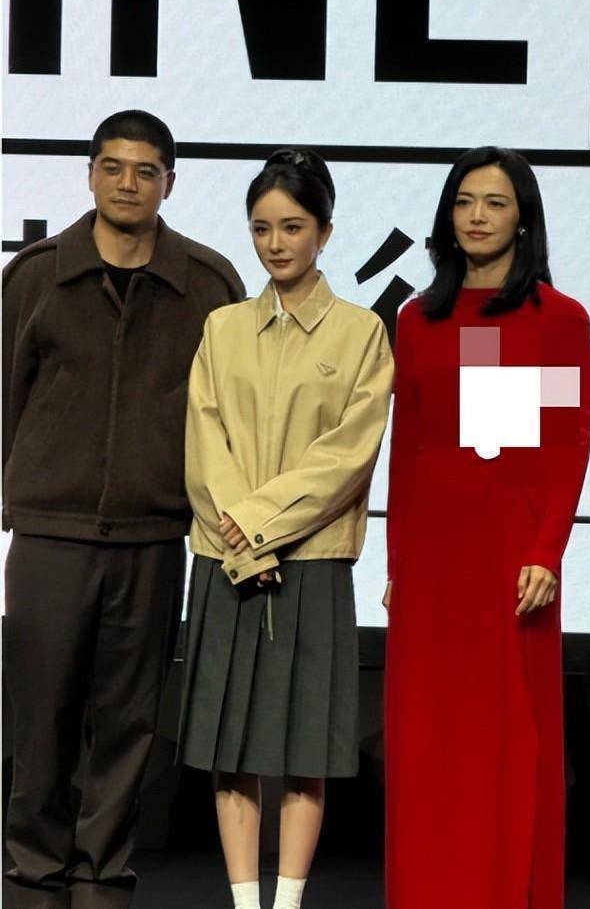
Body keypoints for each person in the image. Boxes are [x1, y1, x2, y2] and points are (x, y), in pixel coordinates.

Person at [2, 111, 245, 902]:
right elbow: (4, 395)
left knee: (130, 722)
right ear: (89, 174)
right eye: (112, 167)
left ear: (169, 182)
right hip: (50, 533)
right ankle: (33, 872)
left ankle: (103, 875)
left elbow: (232, 417)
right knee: (40, 718)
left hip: (152, 536)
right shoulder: (36, 274)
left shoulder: (208, 284)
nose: (127, 183)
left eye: (145, 171)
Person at [176, 148, 393, 909]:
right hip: (226, 559)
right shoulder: (223, 327)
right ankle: (245, 903)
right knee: (230, 748)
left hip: (312, 561)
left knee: (306, 751)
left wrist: (258, 526)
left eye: (293, 227)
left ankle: (289, 900)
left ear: (324, 232)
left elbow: (348, 456)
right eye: (262, 228)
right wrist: (240, 532)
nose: (275, 243)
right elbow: (204, 442)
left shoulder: (362, 333)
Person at [383, 146, 590, 909]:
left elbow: (564, 444)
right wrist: (396, 563)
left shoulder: (557, 318)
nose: (476, 216)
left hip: (510, 556)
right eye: (464, 201)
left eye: (495, 203)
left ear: (524, 219)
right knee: (429, 741)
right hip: (432, 561)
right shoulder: (418, 318)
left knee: (502, 740)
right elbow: (410, 449)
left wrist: (546, 550)